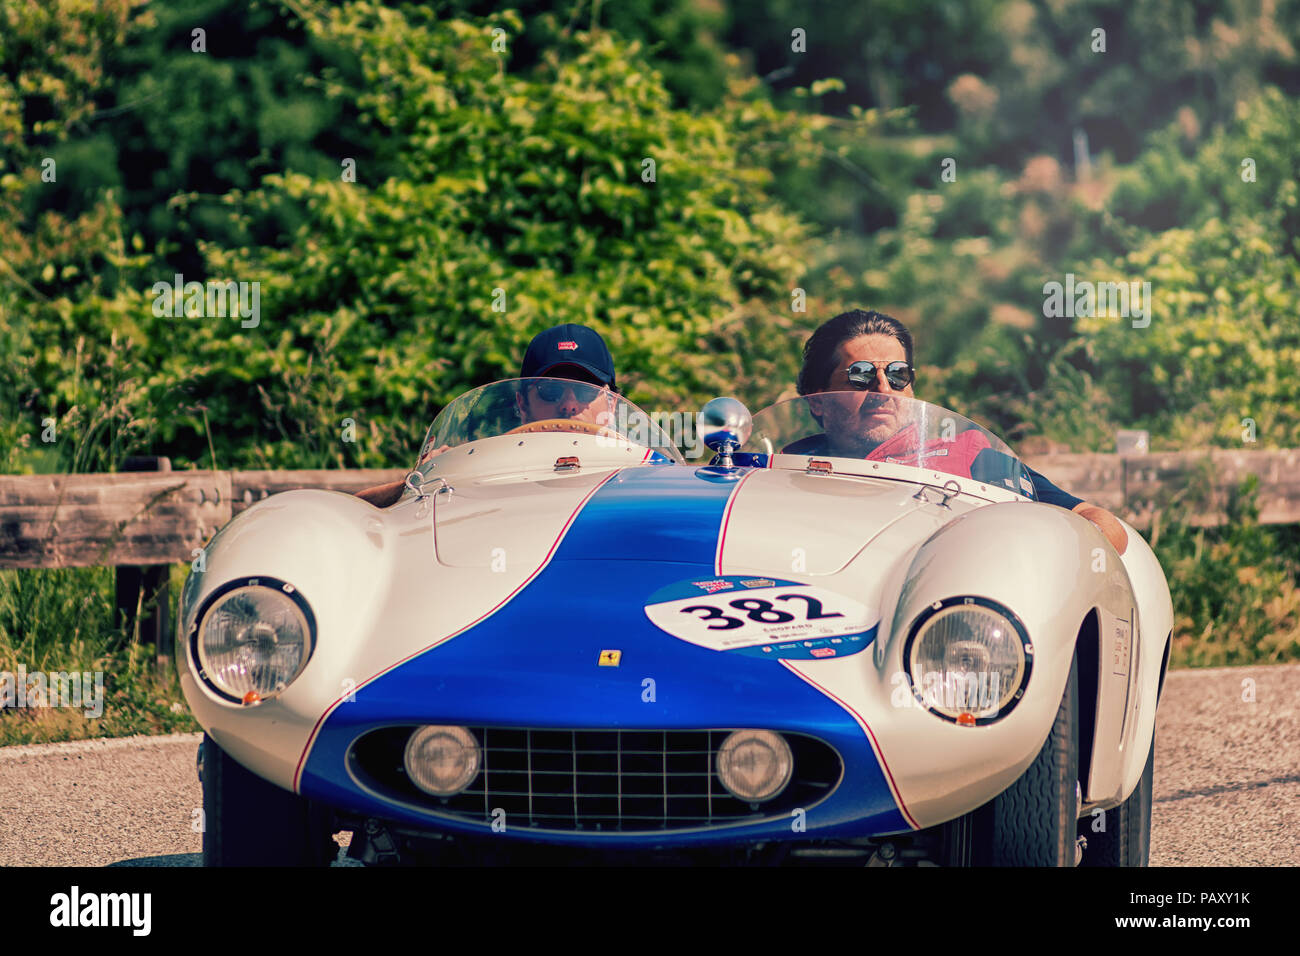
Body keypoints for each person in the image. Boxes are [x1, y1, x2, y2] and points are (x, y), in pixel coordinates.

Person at [793, 309, 1129, 555]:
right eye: (861, 375)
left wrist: (1075, 549)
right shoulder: (787, 467)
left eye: (898, 374)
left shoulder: (969, 458)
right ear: (818, 400)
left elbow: (1091, 518)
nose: (883, 388)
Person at [354, 323, 619, 507]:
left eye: (586, 392)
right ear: (522, 404)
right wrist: (424, 481)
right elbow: (358, 510)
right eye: (551, 391)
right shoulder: (487, 468)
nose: (569, 406)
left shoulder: (641, 470)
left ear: (612, 404)